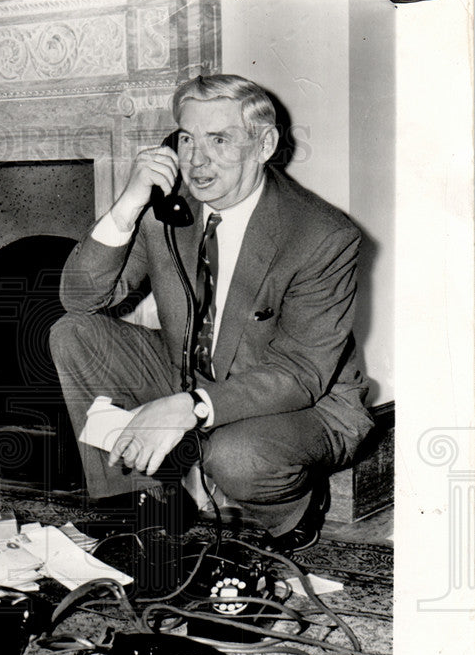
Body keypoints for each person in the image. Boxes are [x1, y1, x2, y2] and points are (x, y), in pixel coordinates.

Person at [50, 74, 374, 554]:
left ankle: (293, 510)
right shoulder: (169, 208)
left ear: (264, 144)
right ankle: (139, 502)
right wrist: (127, 205)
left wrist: (189, 408)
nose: (196, 161)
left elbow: (301, 374)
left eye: (219, 140)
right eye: (186, 139)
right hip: (190, 369)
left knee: (237, 457)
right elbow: (79, 299)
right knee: (73, 333)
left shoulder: (322, 236)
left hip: (299, 400)